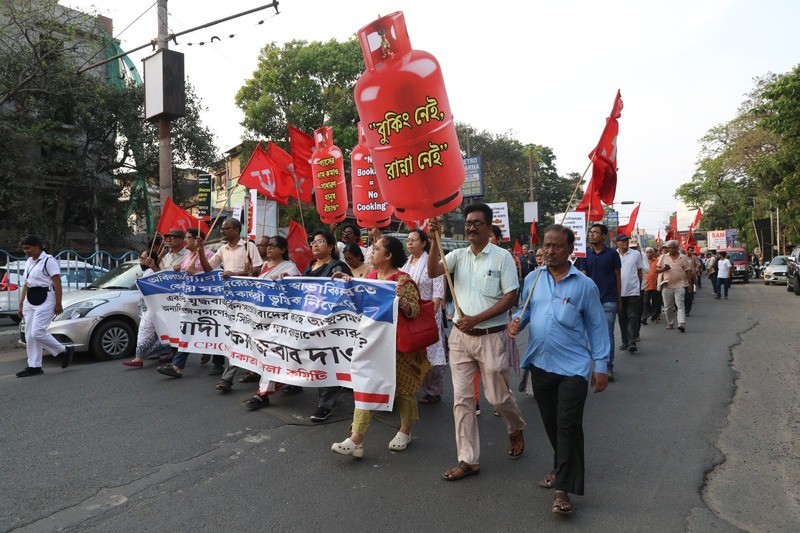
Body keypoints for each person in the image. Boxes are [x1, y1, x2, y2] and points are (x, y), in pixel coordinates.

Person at [508, 224, 610, 515]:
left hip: (574, 368)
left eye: (557, 246)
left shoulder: (584, 285)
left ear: (570, 250)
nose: (550, 251)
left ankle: (562, 487)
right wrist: (516, 321)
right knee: (552, 423)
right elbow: (525, 311)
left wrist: (600, 366)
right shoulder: (533, 278)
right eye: (547, 246)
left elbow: (597, 327)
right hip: (540, 364)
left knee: (568, 423)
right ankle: (560, 465)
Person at [426, 203, 525, 481]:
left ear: (489, 227)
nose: (470, 227)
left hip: (491, 337)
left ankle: (515, 426)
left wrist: (477, 318)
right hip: (460, 338)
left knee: (497, 397)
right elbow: (434, 271)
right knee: (462, 399)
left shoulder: (502, 257)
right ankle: (468, 459)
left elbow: (511, 297)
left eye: (477, 223)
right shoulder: (458, 255)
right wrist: (434, 239)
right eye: (468, 223)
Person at [331, 236, 430, 457]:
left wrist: (402, 300)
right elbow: (360, 304)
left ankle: (405, 430)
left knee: (403, 391)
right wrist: (348, 282)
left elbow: (414, 311)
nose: (371, 253)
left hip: (399, 349)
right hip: (374, 345)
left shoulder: (403, 281)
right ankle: (356, 439)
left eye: (376, 249)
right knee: (366, 384)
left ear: (388, 255)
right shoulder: (371, 277)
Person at [293, 229, 353, 421]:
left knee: (326, 360)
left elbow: (348, 290)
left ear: (330, 246)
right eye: (313, 242)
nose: (315, 245)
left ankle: (325, 404)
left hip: (330, 325)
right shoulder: (310, 266)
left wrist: (345, 280)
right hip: (309, 322)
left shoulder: (337, 266)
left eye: (320, 242)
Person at [236, 235, 302, 405]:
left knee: (272, 354)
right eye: (269, 246)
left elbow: (295, 290)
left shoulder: (290, 268)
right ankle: (290, 382)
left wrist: (285, 279)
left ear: (283, 249)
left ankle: (262, 394)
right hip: (262, 320)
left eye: (273, 246)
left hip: (280, 322)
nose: (269, 248)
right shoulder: (265, 265)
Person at [16, 235, 74, 377]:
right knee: (29, 334)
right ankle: (34, 366)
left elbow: (57, 283)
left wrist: (58, 303)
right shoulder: (29, 262)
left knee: (37, 332)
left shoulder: (49, 260)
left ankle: (64, 350)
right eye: (24, 248)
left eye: (28, 248)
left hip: (46, 298)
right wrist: (21, 304)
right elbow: (26, 284)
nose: (26, 251)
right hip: (30, 299)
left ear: (37, 246)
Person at [401, 229, 446, 406]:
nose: (410, 243)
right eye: (408, 239)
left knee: (432, 355)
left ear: (424, 243)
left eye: (414, 240)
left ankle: (433, 390)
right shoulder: (405, 264)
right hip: (408, 314)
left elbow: (438, 290)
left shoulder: (432, 262)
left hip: (428, 315)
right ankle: (411, 387)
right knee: (411, 352)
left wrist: (430, 314)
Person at [576, 223, 621, 382]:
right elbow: (583, 277)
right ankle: (587, 366)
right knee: (587, 334)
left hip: (609, 299)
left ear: (603, 236)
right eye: (590, 232)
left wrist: (619, 298)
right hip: (590, 302)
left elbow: (617, 277)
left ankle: (607, 366)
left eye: (595, 232)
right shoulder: (585, 255)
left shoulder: (612, 254)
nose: (592, 235)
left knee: (607, 334)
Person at [122, 248, 164, 368]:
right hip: (147, 307)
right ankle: (164, 352)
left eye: (142, 258)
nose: (140, 260)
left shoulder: (152, 271)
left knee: (144, 332)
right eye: (140, 258)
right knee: (155, 332)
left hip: (152, 307)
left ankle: (139, 358)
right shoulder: (147, 272)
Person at [615, 234, 643, 353]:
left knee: (632, 316)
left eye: (627, 240)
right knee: (622, 318)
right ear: (617, 243)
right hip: (618, 292)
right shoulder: (613, 255)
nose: (625, 242)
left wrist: (639, 287)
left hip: (633, 291)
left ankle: (632, 342)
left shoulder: (636, 254)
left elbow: (639, 271)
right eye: (622, 241)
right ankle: (624, 340)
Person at [656, 240, 692, 332]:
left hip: (680, 285)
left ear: (677, 248)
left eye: (673, 248)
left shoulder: (683, 257)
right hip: (666, 285)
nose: (671, 249)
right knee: (668, 307)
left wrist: (689, 283)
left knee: (680, 305)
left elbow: (688, 271)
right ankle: (670, 322)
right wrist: (664, 268)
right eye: (669, 248)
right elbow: (657, 269)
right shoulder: (663, 257)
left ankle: (681, 323)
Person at [641, 247, 662, 324]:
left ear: (653, 253)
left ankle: (654, 316)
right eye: (647, 252)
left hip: (655, 284)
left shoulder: (657, 261)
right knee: (645, 302)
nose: (648, 254)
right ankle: (645, 317)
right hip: (645, 285)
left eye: (650, 252)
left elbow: (660, 270)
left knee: (656, 302)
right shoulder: (642, 262)